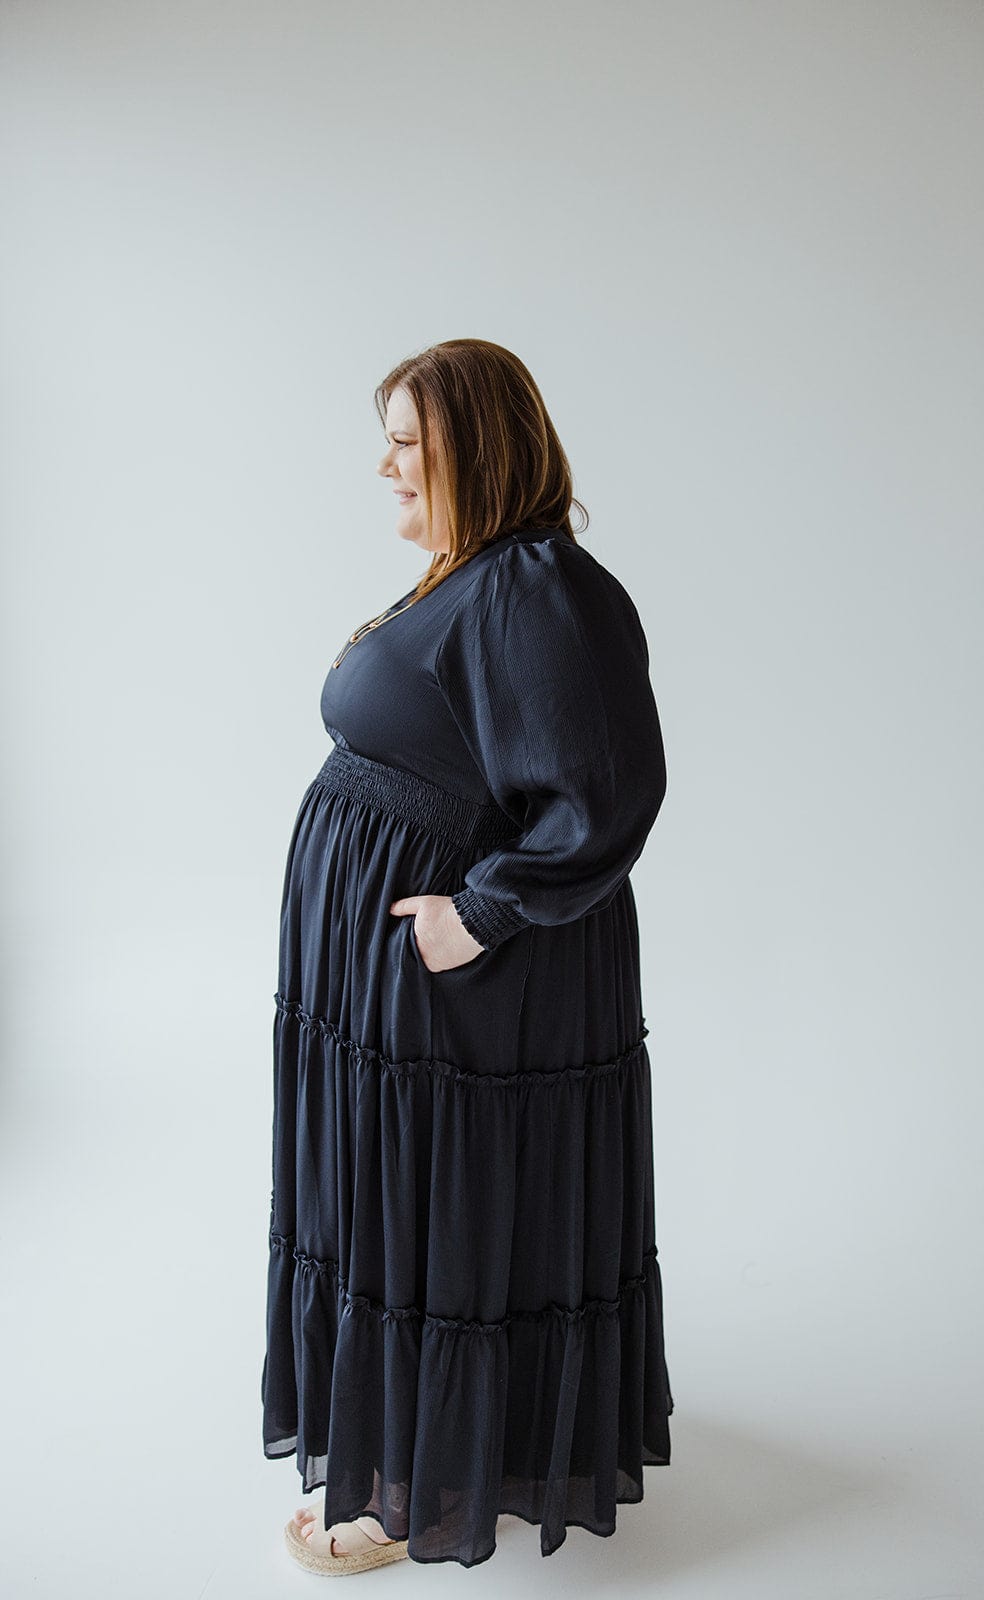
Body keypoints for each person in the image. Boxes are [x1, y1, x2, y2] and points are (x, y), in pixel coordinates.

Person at [262, 338, 674, 1572]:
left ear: (476, 443)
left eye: (407, 436)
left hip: (467, 990)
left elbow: (605, 794)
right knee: (400, 1212)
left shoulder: (536, 585)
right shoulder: (473, 574)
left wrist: (477, 915)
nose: (384, 462)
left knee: (431, 1213)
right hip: (396, 994)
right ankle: (428, 1452)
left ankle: (415, 1493)